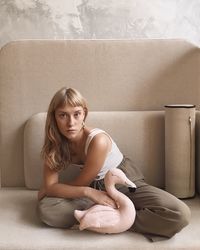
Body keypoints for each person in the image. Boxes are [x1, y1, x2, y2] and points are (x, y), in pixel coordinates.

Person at [37, 87, 191, 241]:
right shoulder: (54, 145)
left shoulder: (98, 140)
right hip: (91, 190)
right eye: (63, 115)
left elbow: (73, 184)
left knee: (180, 214)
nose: (71, 122)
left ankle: (112, 219)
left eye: (76, 114)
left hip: (121, 181)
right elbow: (59, 188)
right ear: (54, 117)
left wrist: (54, 189)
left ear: (84, 113)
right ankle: (106, 217)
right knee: (46, 209)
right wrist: (87, 192)